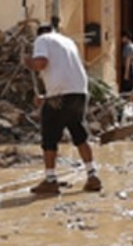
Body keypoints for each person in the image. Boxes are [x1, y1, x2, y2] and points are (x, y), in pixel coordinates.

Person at [26, 23, 99, 195]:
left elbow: (41, 63)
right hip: (79, 93)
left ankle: (50, 180)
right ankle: (92, 175)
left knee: (49, 137)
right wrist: (47, 96)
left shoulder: (42, 39)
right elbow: (65, 72)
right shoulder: (68, 42)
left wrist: (28, 62)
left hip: (60, 96)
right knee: (79, 133)